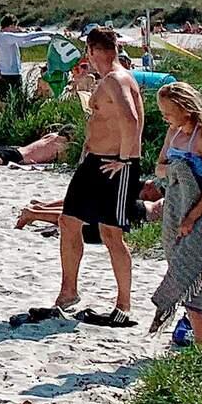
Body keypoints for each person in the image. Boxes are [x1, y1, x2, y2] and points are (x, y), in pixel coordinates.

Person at [57, 27, 145, 325]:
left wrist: (125, 159)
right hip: (95, 161)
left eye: (89, 52)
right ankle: (68, 291)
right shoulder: (110, 79)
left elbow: (131, 119)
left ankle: (124, 303)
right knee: (69, 221)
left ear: (93, 50)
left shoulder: (116, 79)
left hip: (114, 164)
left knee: (111, 233)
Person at [148, 81, 202, 346]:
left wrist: (192, 217)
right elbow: (159, 167)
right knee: (183, 271)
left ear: (185, 109)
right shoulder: (172, 133)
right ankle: (201, 344)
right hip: (175, 210)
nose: (165, 117)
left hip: (201, 214)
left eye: (168, 112)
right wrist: (175, 170)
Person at [0, 16, 51, 107]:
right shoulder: (5, 36)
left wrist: (47, 40)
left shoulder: (5, 38)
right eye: (15, 26)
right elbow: (25, 37)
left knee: (10, 100)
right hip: (10, 74)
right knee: (13, 100)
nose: (16, 28)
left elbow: (26, 43)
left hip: (10, 73)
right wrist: (48, 33)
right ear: (11, 25)